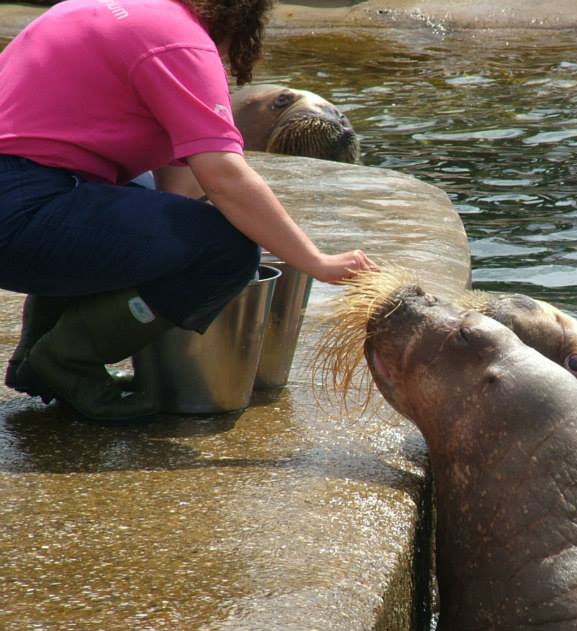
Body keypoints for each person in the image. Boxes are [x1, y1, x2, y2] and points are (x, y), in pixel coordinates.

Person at [0, 0, 378, 423]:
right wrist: (315, 261)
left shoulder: (101, 9)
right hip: (21, 210)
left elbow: (171, 199)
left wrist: (175, 255)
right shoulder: (182, 44)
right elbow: (224, 177)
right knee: (226, 248)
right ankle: (67, 360)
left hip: (27, 194)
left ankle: (38, 353)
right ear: (243, 22)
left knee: (152, 208)